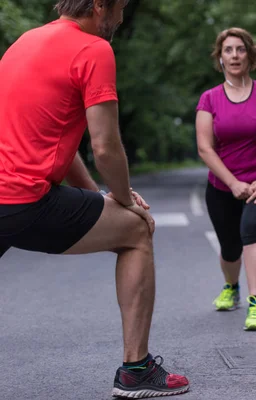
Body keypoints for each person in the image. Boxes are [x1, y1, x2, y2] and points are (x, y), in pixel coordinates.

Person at [0, 0, 189, 398]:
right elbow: (104, 147)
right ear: (100, 6)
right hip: (24, 200)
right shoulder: (93, 49)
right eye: (120, 8)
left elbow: (53, 145)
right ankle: (136, 370)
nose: (121, 18)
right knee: (136, 231)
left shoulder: (25, 42)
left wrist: (102, 198)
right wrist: (126, 202)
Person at [195, 27, 256, 331]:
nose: (235, 55)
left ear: (250, 55)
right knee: (230, 247)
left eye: (240, 49)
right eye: (228, 50)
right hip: (223, 187)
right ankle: (231, 286)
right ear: (220, 58)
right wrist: (233, 183)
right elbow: (204, 148)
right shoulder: (209, 99)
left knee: (251, 228)